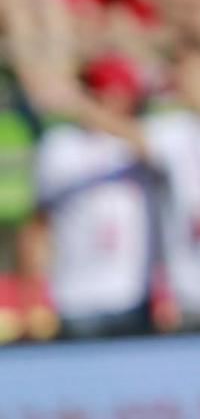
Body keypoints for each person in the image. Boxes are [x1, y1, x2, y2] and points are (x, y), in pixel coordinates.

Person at [39, 31, 200, 331]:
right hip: (191, 301)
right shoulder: (178, 131)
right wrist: (74, 102)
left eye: (186, 68)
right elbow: (128, 132)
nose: (179, 78)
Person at [25, 53, 155, 339]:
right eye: (107, 96)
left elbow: (149, 144)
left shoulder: (138, 140)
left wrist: (78, 105)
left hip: (130, 295)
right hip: (74, 297)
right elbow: (38, 224)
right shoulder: (59, 145)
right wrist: (35, 293)